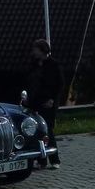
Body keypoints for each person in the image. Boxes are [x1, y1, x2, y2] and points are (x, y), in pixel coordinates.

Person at [25, 38, 65, 168]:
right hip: (35, 101)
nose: (33, 52)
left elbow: (60, 84)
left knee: (47, 130)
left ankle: (55, 159)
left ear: (42, 50)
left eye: (36, 49)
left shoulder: (54, 65)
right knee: (36, 130)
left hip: (48, 102)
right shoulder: (34, 64)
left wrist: (52, 99)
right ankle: (41, 159)